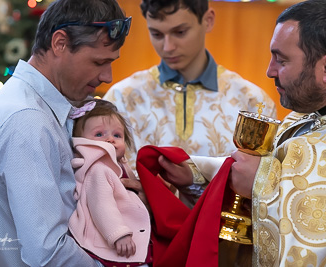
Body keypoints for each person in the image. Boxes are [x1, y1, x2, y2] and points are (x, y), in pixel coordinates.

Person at [0, 0, 131, 265]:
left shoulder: (47, 105)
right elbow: (47, 253)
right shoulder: (27, 119)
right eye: (98, 62)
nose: (108, 76)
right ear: (60, 43)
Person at [103, 0, 277, 203]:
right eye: (157, 34)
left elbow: (264, 190)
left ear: (208, 20)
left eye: (180, 32)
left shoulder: (252, 102)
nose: (168, 47)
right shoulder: (122, 98)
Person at [228, 0, 326, 266]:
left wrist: (260, 186)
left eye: (282, 60)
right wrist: (193, 170)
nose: (269, 71)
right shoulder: (301, 118)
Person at [69, 99, 152, 266]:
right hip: (113, 237)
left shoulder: (118, 166)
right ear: (81, 141)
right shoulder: (97, 169)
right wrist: (118, 234)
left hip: (130, 233)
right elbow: (101, 205)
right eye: (99, 134)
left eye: (117, 135)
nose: (110, 140)